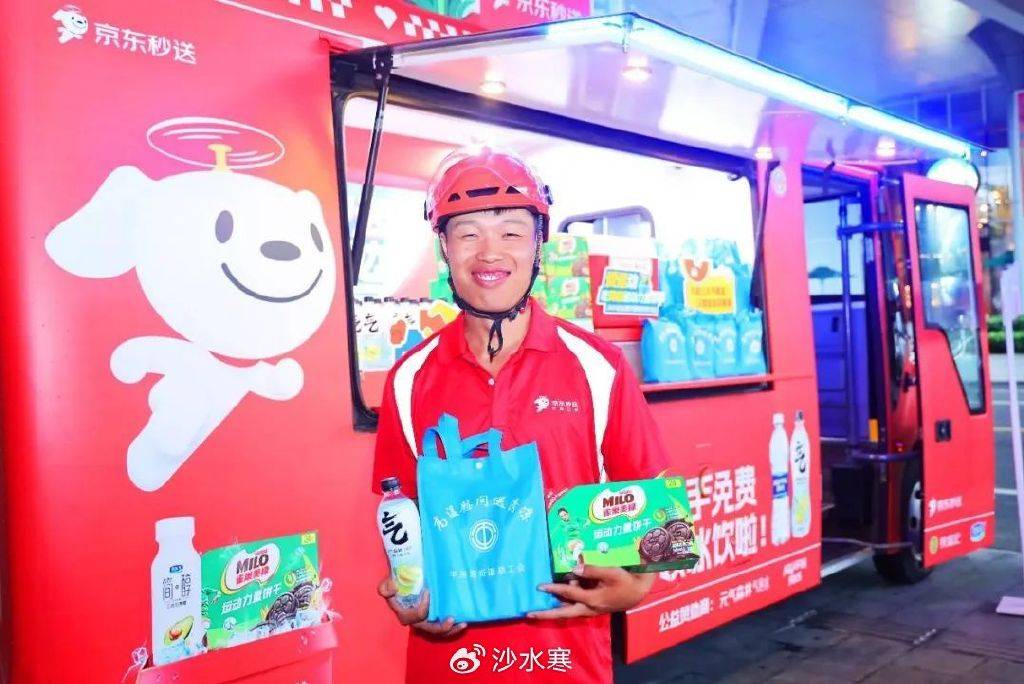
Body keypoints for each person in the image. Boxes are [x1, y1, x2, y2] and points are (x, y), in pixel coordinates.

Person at [372, 147, 669, 683]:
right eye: (467, 233)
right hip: (448, 663)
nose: (490, 252)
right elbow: (401, 515)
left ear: (538, 245)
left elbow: (655, 505)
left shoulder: (597, 366)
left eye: (511, 232)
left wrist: (636, 588)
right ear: (444, 247)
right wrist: (408, 593)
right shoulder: (409, 377)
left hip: (565, 661)